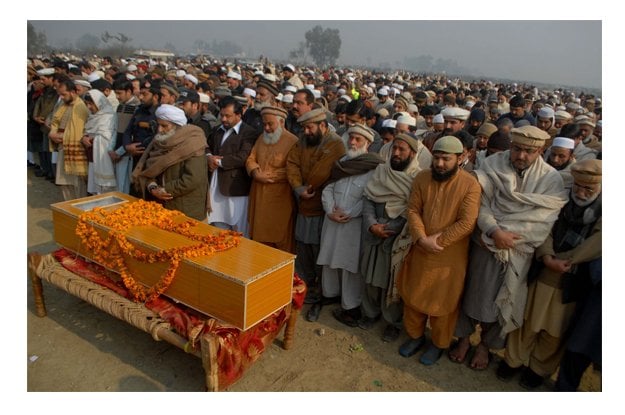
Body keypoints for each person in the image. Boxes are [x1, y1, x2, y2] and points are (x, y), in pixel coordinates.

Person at [449, 125, 568, 370]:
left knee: (503, 300)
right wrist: (494, 232)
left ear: (540, 151)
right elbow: (478, 204)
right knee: (471, 291)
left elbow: (543, 220)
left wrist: (508, 238)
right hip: (484, 241)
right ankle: (463, 339)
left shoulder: (551, 179)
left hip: (518, 251)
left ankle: (485, 345)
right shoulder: (492, 165)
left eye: (528, 151)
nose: (521, 156)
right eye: (516, 149)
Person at [497, 159, 601, 389]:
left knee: (555, 331)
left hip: (572, 279)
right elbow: (544, 224)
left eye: (588, 189)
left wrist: (568, 259)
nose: (582, 193)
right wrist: (546, 256)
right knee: (526, 320)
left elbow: (598, 241)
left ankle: (538, 369)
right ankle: (513, 361)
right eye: (578, 187)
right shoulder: (560, 198)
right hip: (543, 271)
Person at [395, 136, 481, 365]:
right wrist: (422, 238)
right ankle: (415, 337)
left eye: (446, 159)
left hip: (449, 258)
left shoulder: (470, 184)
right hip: (421, 250)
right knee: (413, 297)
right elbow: (413, 210)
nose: (440, 164)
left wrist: (439, 240)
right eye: (437, 158)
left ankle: (438, 344)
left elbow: (467, 222)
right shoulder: (422, 178)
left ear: (460, 158)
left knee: (444, 305)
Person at [360, 133, 432, 342]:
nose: (397, 153)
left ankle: (392, 322)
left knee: (394, 280)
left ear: (413, 152)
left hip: (400, 236)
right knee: (370, 275)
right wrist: (372, 224)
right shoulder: (381, 170)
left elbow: (413, 209)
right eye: (395, 149)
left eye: (402, 149)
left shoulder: (418, 177)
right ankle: (370, 313)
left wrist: (389, 228)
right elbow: (368, 197)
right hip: (374, 231)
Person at [317, 125, 384, 326]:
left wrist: (348, 214)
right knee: (329, 259)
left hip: (353, 225)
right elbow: (327, 188)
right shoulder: (341, 164)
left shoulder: (375, 167)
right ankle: (330, 294)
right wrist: (330, 210)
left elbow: (369, 197)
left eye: (358, 140)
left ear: (368, 144)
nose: (353, 143)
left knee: (349, 266)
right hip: (332, 220)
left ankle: (350, 306)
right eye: (351, 138)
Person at [286, 108, 346, 320]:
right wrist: (297, 187)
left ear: (322, 125)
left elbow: (320, 173)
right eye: (304, 127)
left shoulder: (334, 143)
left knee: (319, 249)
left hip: (323, 207)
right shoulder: (304, 140)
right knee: (303, 246)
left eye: (310, 127)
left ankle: (320, 292)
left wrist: (306, 187)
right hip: (303, 202)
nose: (306, 131)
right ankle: (305, 286)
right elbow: (292, 162)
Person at [131, 104, 208, 221]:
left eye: (164, 126)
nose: (159, 130)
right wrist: (152, 187)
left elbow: (193, 179)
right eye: (158, 125)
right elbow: (149, 170)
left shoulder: (193, 143)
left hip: (185, 208)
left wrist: (164, 190)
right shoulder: (158, 142)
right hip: (159, 205)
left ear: (177, 126)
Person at [245, 106, 299, 252]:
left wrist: (268, 176)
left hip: (280, 199)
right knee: (258, 243)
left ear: (281, 123)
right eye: (264, 124)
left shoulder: (293, 141)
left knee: (279, 241)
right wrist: (255, 172)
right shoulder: (261, 138)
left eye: (270, 124)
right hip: (259, 198)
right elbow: (251, 158)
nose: (267, 128)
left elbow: (292, 169)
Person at [206, 96, 258, 235]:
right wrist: (209, 157)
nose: (223, 119)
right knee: (217, 228)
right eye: (221, 115)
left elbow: (243, 157)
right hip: (216, 186)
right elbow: (207, 147)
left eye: (227, 116)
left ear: (238, 115)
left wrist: (218, 162)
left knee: (238, 231)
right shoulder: (217, 130)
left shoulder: (249, 132)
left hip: (236, 190)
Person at [48, 79, 90, 201]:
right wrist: (52, 133)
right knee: (64, 182)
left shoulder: (81, 107)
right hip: (63, 148)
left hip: (75, 149)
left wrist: (61, 137)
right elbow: (55, 122)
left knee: (77, 183)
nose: (61, 97)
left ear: (72, 92)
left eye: (63, 94)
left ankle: (79, 210)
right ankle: (69, 208)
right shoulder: (63, 105)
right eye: (60, 95)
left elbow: (80, 132)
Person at [81, 89, 117, 194]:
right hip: (93, 157)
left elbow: (107, 136)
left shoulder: (109, 116)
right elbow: (87, 131)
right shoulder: (92, 116)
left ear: (99, 103)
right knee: (93, 188)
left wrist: (92, 138)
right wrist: (84, 138)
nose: (89, 107)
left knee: (105, 189)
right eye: (87, 104)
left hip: (103, 157)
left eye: (91, 104)